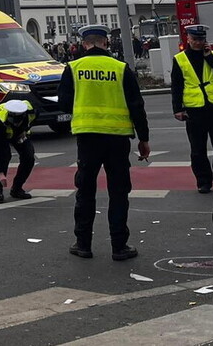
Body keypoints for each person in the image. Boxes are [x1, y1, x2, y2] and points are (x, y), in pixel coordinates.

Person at [58, 24, 151, 261]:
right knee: (118, 192)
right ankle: (119, 246)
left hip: (87, 137)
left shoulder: (73, 68)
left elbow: (64, 103)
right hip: (118, 138)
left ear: (83, 44)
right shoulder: (121, 68)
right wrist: (144, 138)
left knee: (85, 191)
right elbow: (137, 106)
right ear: (106, 43)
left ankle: (83, 244)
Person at [171, 24, 213, 193]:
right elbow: (176, 85)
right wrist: (177, 108)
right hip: (194, 109)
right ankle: (203, 181)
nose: (198, 43)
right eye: (195, 39)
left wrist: (209, 57)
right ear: (188, 39)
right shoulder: (180, 59)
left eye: (201, 39)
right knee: (198, 149)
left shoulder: (212, 55)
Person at [0, 99, 36, 203]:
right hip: (1, 135)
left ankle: (17, 188)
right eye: (14, 121)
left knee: (29, 157)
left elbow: (33, 120)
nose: (16, 124)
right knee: (3, 157)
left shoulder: (31, 111)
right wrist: (0, 171)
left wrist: (25, 130)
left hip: (20, 133)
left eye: (18, 121)